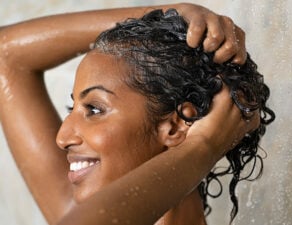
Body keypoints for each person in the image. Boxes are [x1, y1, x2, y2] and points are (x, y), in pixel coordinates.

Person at [0, 3, 270, 225]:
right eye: (73, 108)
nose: (62, 138)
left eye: (94, 109)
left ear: (175, 128)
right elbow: (5, 54)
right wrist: (169, 14)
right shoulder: (75, 210)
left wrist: (203, 146)